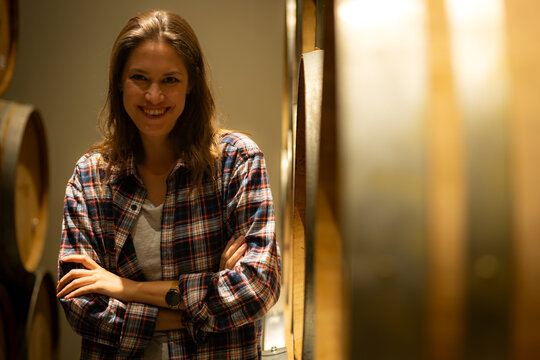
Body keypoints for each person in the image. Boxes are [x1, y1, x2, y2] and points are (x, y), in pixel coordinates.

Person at [56, 9, 281, 359]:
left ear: (191, 82)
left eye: (170, 80)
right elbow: (82, 309)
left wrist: (127, 289)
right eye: (140, 78)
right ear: (119, 81)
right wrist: (206, 295)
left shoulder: (237, 161)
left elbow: (257, 288)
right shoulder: (90, 177)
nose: (154, 96)